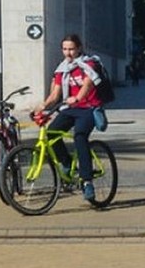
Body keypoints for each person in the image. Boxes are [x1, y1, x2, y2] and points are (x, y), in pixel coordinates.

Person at [34, 34, 101, 202]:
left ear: (79, 48)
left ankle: (87, 182)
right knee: (52, 134)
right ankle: (66, 163)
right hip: (69, 109)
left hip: (88, 108)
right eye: (65, 49)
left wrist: (77, 98)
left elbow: (87, 84)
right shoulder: (62, 68)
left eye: (71, 49)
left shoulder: (89, 64)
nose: (68, 53)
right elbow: (55, 94)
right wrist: (43, 106)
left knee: (79, 137)